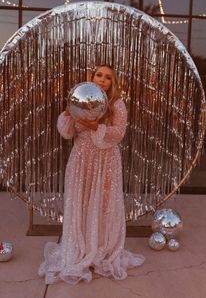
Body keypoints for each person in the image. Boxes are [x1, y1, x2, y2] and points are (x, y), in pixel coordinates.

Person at [38, 65, 145, 285]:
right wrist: (69, 112)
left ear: (112, 82)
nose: (103, 80)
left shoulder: (116, 105)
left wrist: (97, 127)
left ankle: (100, 249)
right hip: (82, 159)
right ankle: (80, 247)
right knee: (81, 201)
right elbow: (67, 133)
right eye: (99, 75)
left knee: (103, 203)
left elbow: (119, 133)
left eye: (108, 77)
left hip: (106, 160)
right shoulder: (80, 99)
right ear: (91, 77)